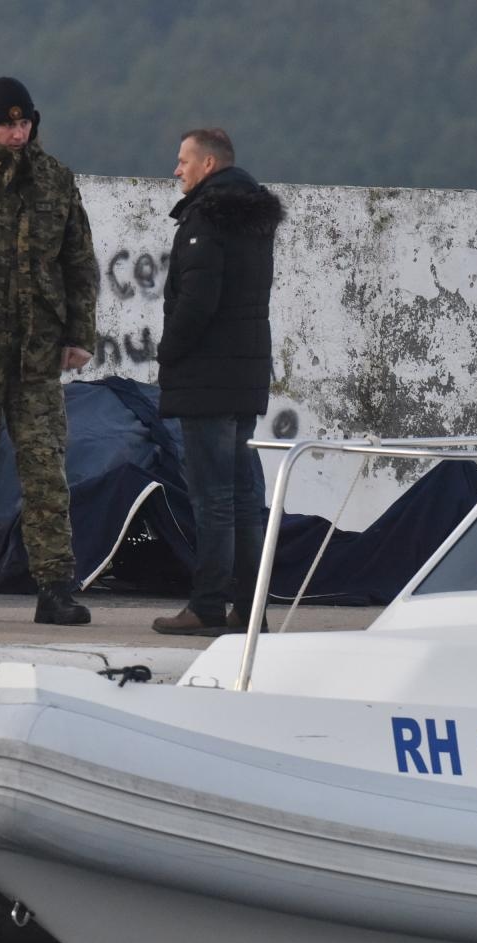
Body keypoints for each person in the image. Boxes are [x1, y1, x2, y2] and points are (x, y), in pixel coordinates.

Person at [0, 76, 98, 626]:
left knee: (46, 473)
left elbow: (79, 263)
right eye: (8, 123)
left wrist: (80, 335)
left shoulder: (54, 179)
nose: (18, 132)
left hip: (36, 355)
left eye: (25, 122)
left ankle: (55, 587)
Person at [151, 129, 285, 637]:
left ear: (208, 164)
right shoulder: (253, 219)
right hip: (244, 374)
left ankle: (207, 606)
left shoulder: (204, 218)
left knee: (212, 499)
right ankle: (251, 612)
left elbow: (197, 300)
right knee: (245, 498)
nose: (176, 169)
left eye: (183, 160)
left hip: (206, 376)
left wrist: (168, 352)